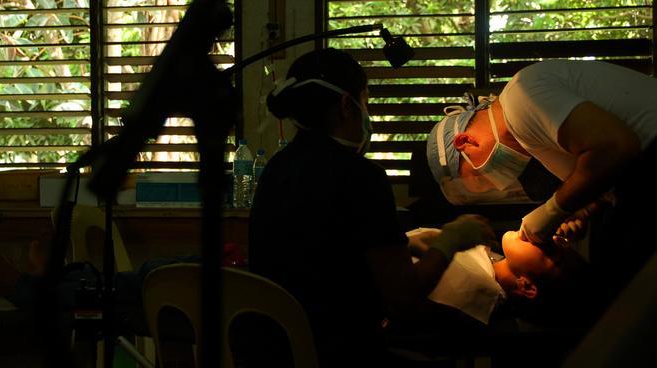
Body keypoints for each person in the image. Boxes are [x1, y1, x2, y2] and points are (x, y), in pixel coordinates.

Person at [248, 48, 495, 368]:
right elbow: (404, 299)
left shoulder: (277, 168)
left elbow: (324, 251)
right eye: (365, 100)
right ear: (346, 105)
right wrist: (453, 239)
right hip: (339, 352)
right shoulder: (361, 177)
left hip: (278, 351)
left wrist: (408, 244)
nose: (367, 112)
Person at [426, 59, 657, 296]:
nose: (498, 182)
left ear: (465, 141)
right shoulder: (528, 135)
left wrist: (554, 209)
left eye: (481, 176)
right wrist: (580, 209)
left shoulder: (521, 99)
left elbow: (616, 147)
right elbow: (607, 174)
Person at [408, 228, 592, 327]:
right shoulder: (492, 266)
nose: (545, 239)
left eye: (549, 251)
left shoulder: (467, 286)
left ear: (526, 286)